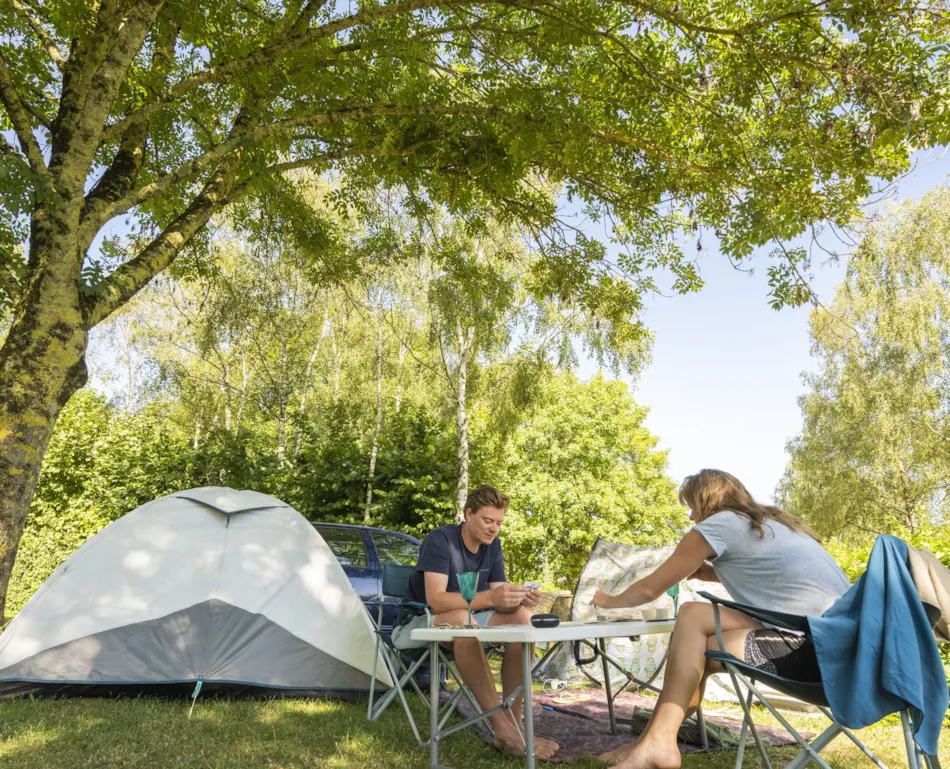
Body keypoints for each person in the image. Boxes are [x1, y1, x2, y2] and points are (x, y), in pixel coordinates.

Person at [592, 469, 851, 769]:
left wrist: (607, 600)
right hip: (843, 651)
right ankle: (647, 745)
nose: (690, 517)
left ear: (705, 501)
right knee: (696, 642)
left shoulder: (721, 524)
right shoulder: (776, 524)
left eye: (691, 506)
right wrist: (710, 573)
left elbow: (651, 587)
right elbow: (774, 579)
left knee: (692, 619)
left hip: (809, 654)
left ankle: (657, 746)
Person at [391, 485, 559, 760]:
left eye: (499, 523)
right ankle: (502, 728)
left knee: (523, 620)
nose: (494, 529)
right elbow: (436, 601)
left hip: (465, 623)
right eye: (488, 521)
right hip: (416, 625)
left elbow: (498, 599)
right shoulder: (441, 540)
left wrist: (519, 599)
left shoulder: (492, 546)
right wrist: (492, 596)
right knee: (463, 620)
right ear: (469, 514)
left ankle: (515, 727)